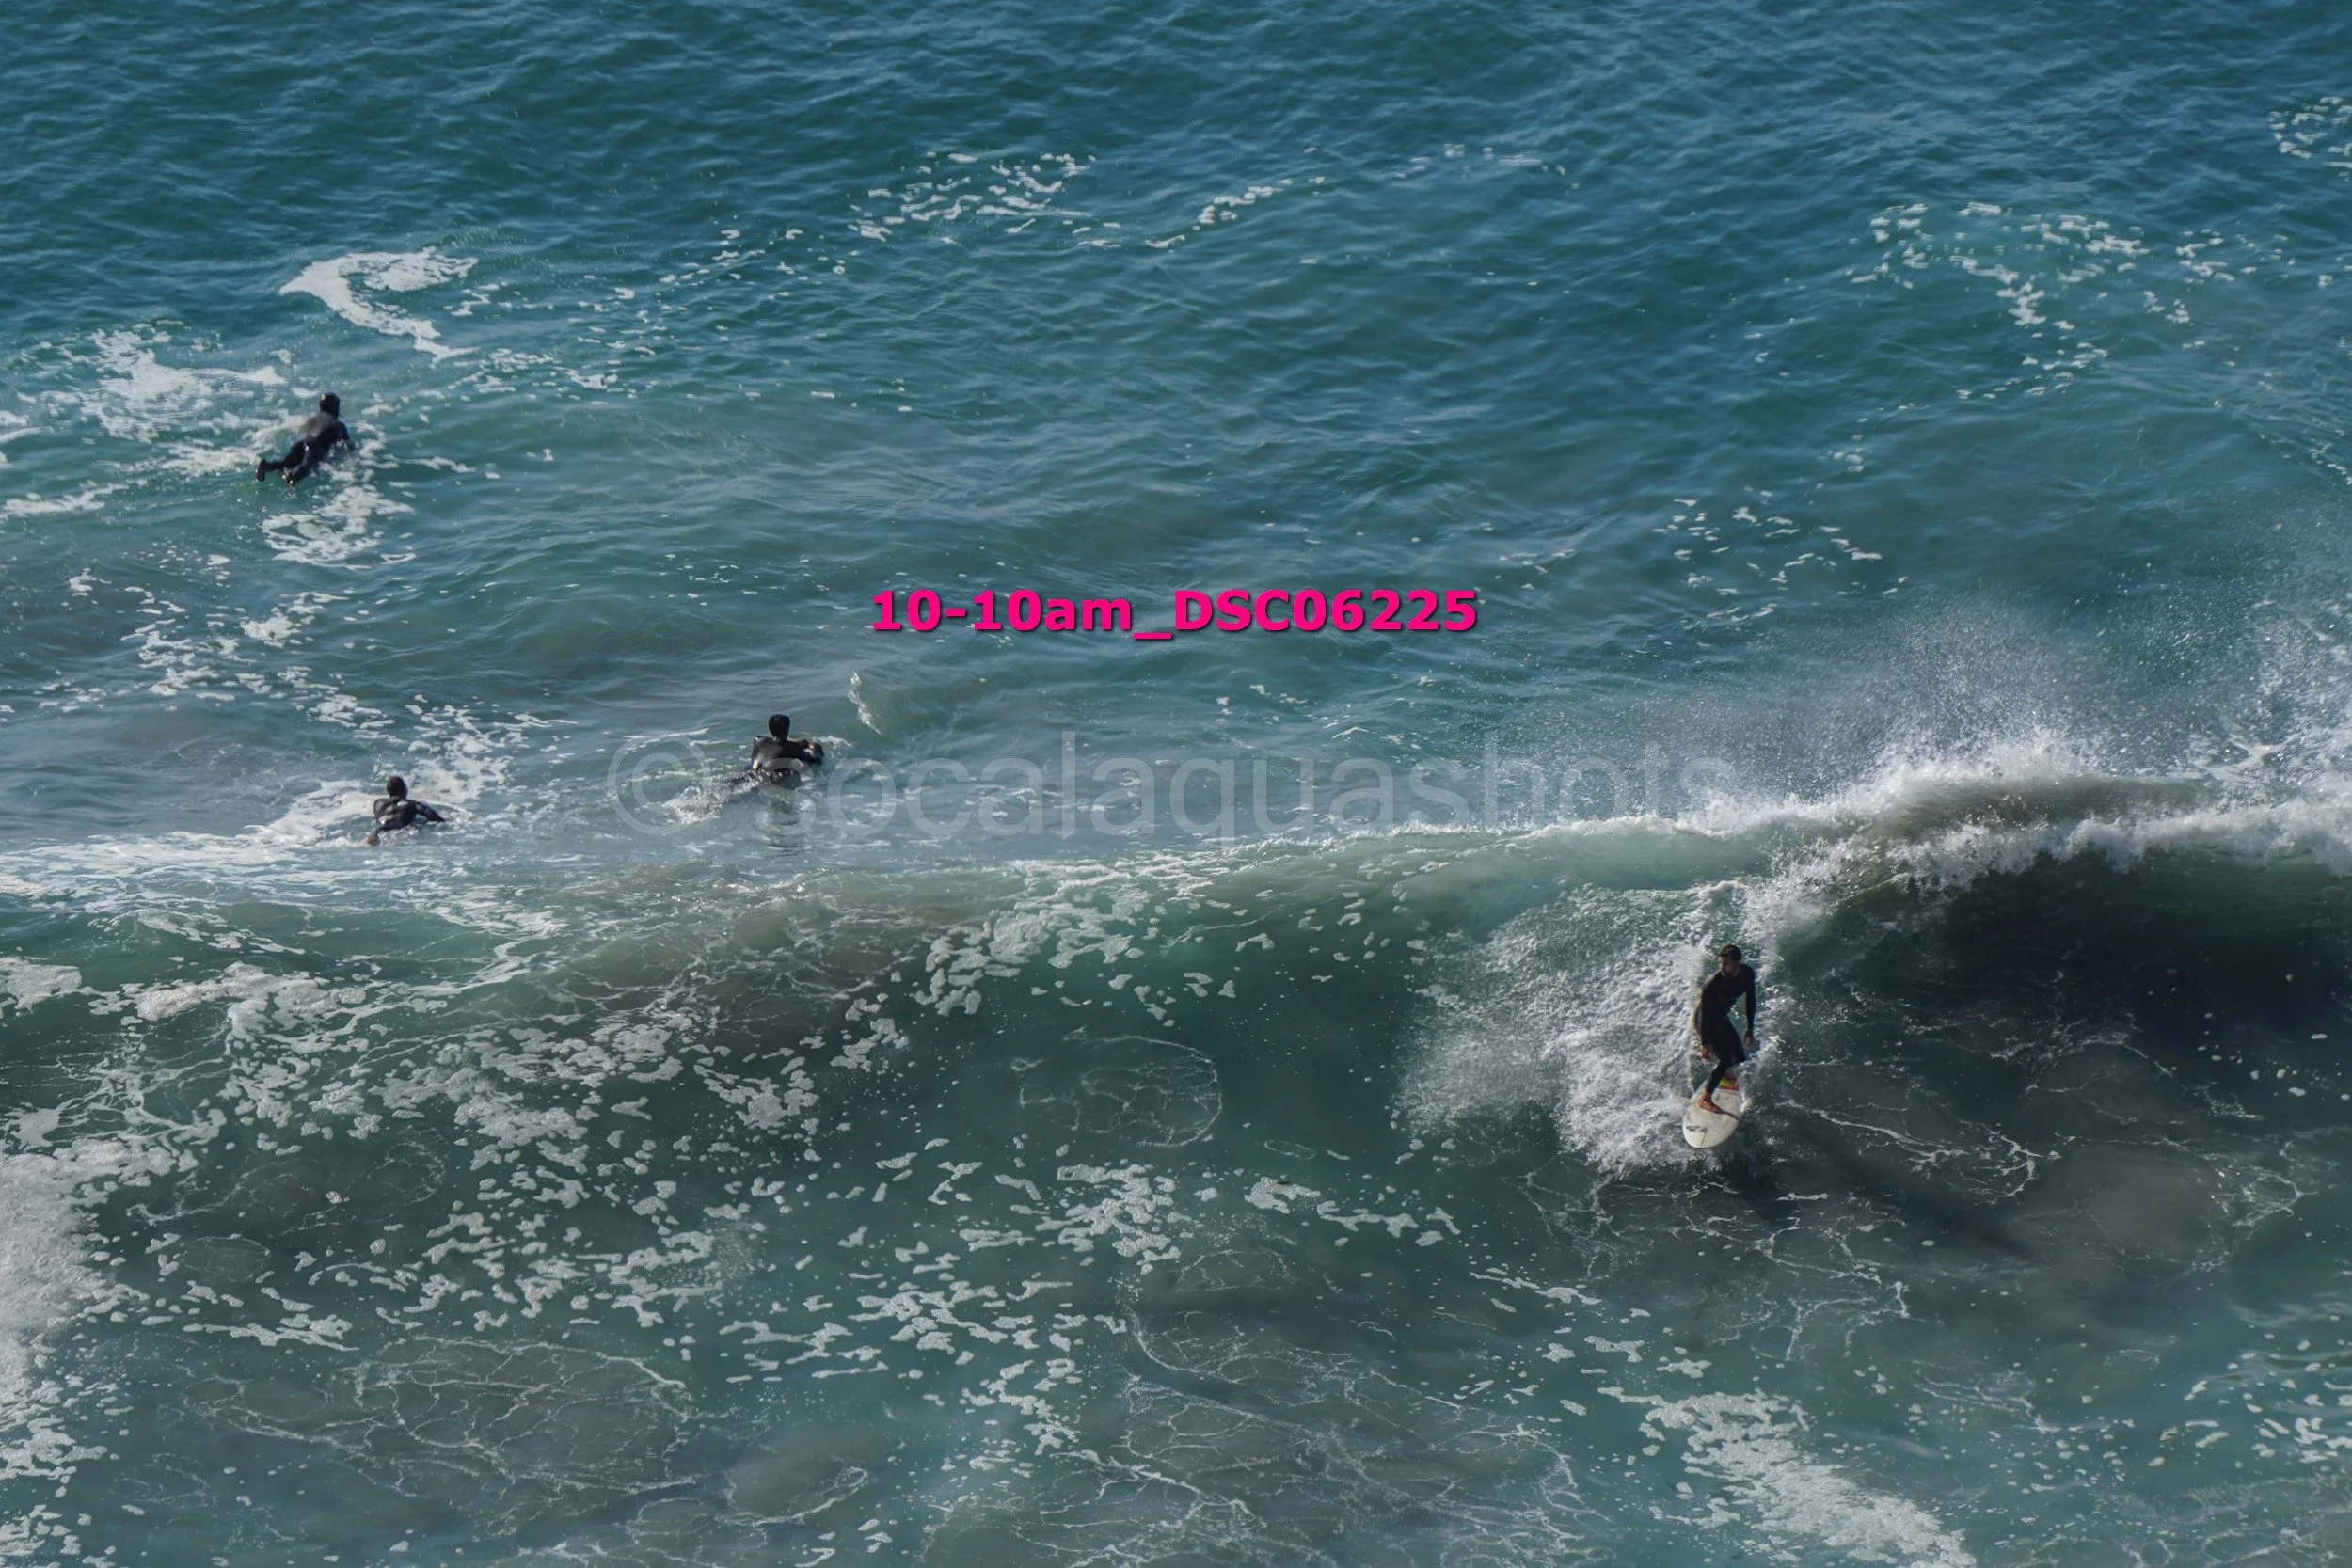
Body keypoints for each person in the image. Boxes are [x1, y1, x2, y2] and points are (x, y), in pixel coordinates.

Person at [1692, 943, 1757, 1115]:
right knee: (1726, 1059)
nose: (1721, 968)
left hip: (1721, 1018)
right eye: (1720, 964)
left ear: (1737, 964)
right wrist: (1704, 1044)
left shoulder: (1747, 975)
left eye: (1725, 964)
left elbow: (1751, 1001)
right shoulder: (1712, 984)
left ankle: (1724, 1072)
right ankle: (1705, 1099)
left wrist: (1750, 1029)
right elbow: (1705, 1017)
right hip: (1704, 1020)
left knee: (1739, 1056)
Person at [257, 393, 353, 485]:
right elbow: (347, 444)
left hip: (301, 443)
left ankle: (267, 466)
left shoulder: (311, 419)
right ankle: (293, 477)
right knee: (308, 465)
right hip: (315, 446)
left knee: (287, 462)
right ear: (334, 407)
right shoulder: (338, 423)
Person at [365, 776, 447, 846]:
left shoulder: (378, 803)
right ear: (404, 790)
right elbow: (432, 815)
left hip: (378, 831)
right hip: (400, 832)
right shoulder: (412, 804)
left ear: (388, 791)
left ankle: (370, 839)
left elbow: (377, 817)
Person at [748, 714, 825, 781]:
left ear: (770, 729)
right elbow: (815, 761)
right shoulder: (792, 748)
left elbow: (775, 742)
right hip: (770, 780)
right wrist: (813, 747)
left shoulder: (759, 741)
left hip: (750, 774)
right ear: (787, 730)